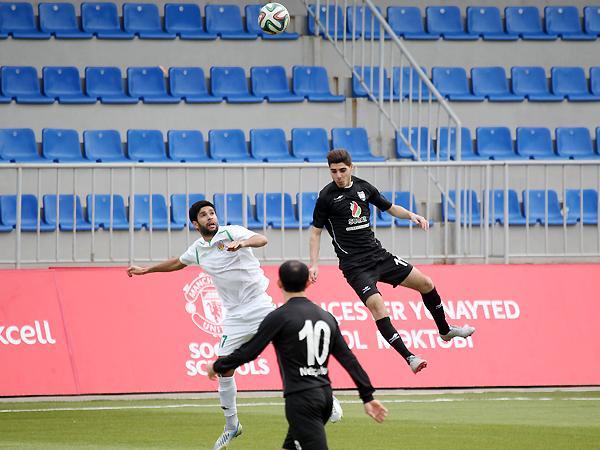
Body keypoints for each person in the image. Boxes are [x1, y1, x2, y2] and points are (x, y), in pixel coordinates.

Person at [309, 149, 475, 374]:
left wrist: (411, 215)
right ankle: (410, 358)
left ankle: (445, 331)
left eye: (342, 170)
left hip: (379, 256)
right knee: (378, 306)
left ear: (351, 167)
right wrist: (314, 263)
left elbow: (389, 207)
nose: (338, 175)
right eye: (333, 171)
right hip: (355, 266)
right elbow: (315, 232)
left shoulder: (364, 188)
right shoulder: (326, 197)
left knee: (426, 283)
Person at [126, 200, 276, 450]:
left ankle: (323, 399)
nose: (210, 217)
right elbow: (178, 262)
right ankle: (232, 426)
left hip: (260, 304)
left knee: (291, 345)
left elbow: (262, 239)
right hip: (234, 316)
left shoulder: (232, 232)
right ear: (196, 224)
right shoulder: (198, 249)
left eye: (212, 213)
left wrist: (243, 243)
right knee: (224, 368)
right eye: (204, 215)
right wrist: (147, 270)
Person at [207, 260, 388, 450]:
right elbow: (349, 359)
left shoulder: (279, 317)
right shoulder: (326, 317)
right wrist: (367, 396)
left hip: (301, 400)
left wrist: (218, 366)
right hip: (325, 397)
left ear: (279, 283)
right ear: (308, 283)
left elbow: (249, 352)